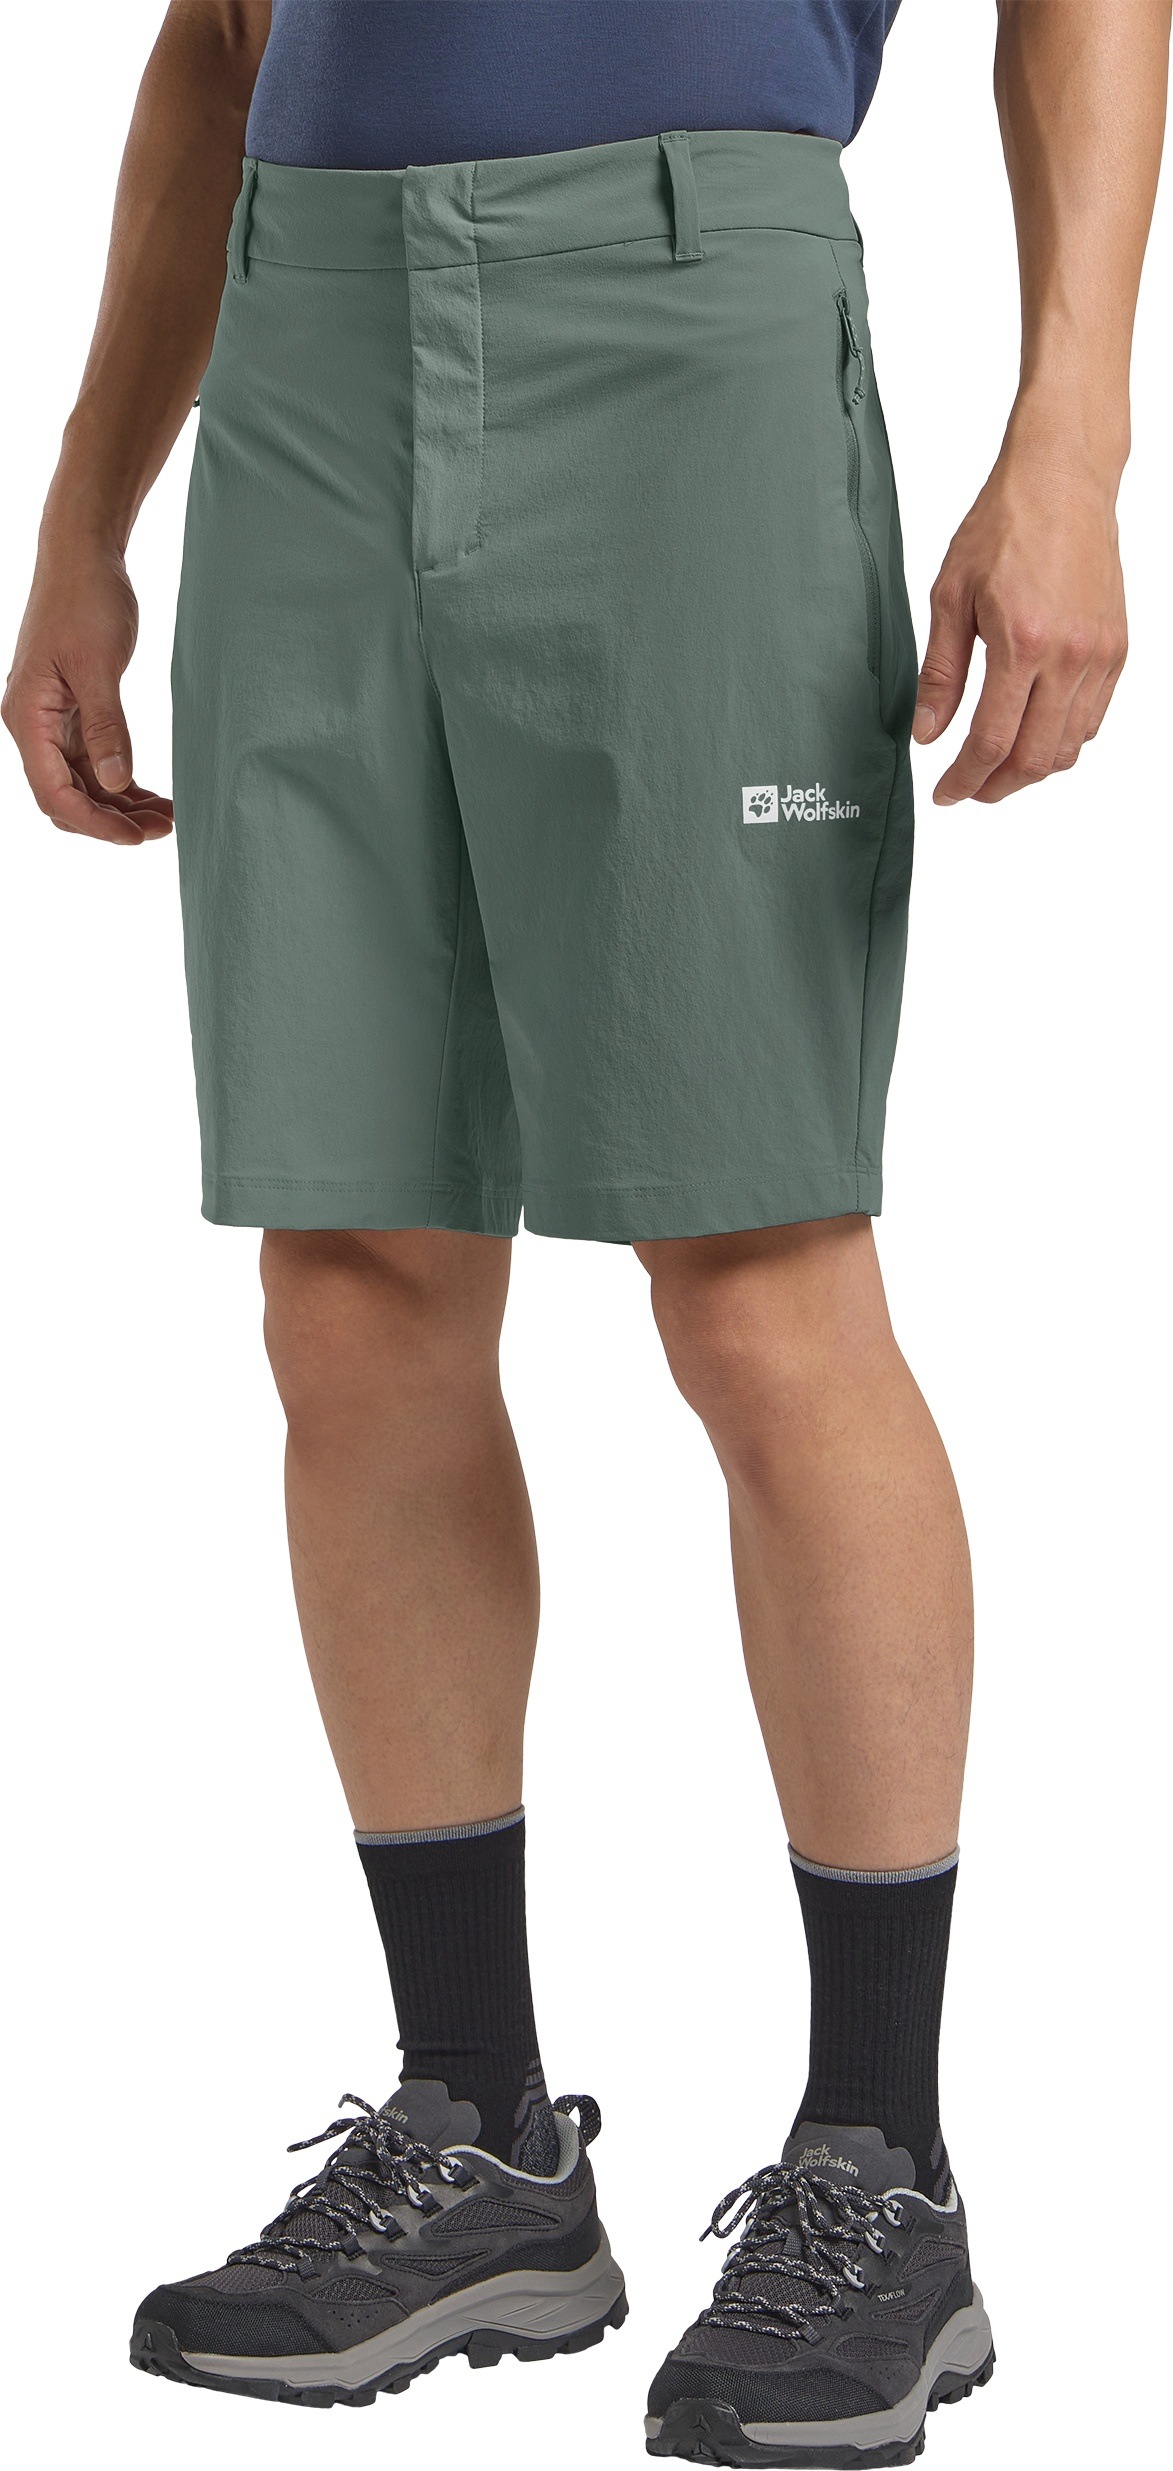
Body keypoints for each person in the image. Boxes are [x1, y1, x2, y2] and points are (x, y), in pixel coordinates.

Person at [4, 2, 1167, 2460]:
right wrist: (85, 515)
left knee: (754, 1275)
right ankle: (480, 2141)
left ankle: (880, 2167)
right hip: (304, 339)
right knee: (349, 1278)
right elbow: (213, 45)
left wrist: (1067, 434)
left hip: (689, 318)